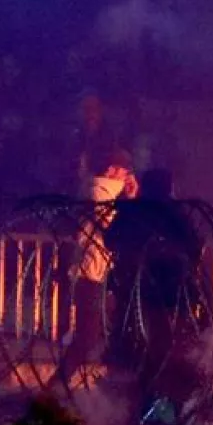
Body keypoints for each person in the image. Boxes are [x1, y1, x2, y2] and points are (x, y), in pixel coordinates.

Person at [104, 168, 209, 425]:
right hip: (164, 294)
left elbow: (111, 239)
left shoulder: (133, 211)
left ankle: (142, 415)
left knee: (145, 354)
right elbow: (194, 245)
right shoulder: (173, 213)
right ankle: (155, 416)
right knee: (163, 354)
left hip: (141, 293)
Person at [52, 148, 137, 391]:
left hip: (97, 273)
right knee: (87, 337)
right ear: (111, 170)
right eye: (124, 171)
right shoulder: (99, 193)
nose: (127, 177)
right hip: (90, 273)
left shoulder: (102, 193)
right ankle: (56, 388)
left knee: (107, 331)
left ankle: (104, 386)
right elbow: (113, 231)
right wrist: (131, 201)